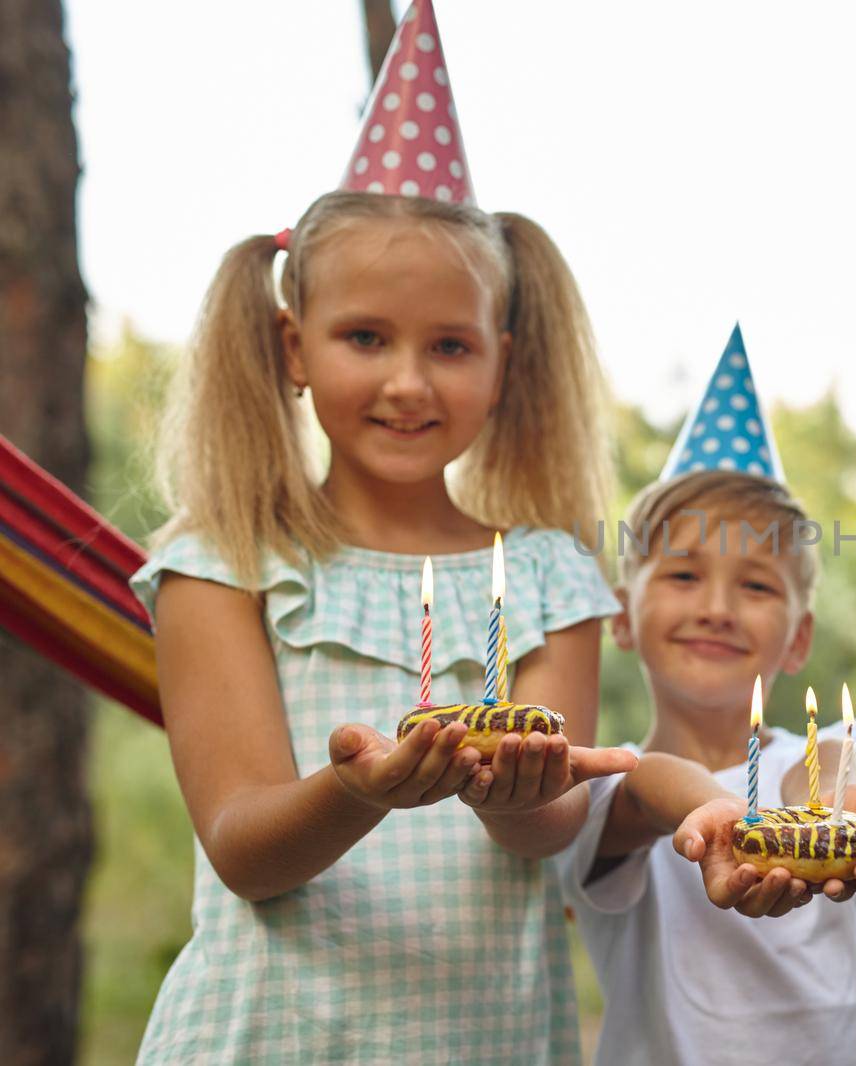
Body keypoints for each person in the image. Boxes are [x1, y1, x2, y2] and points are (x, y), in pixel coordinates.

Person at [128, 8, 631, 1062]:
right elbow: (243, 847)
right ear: (292, 345)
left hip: (483, 1041)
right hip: (269, 1037)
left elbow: (552, 830)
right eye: (365, 337)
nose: (408, 382)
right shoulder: (222, 564)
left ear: (503, 360)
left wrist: (513, 789)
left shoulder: (549, 576)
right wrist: (359, 790)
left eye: (449, 345)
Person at [558, 330, 856, 1066]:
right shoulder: (598, 789)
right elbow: (648, 787)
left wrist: (827, 808)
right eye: (682, 576)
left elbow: (823, 769)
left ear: (798, 639)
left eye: (757, 585)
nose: (718, 607)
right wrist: (722, 813)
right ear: (620, 616)